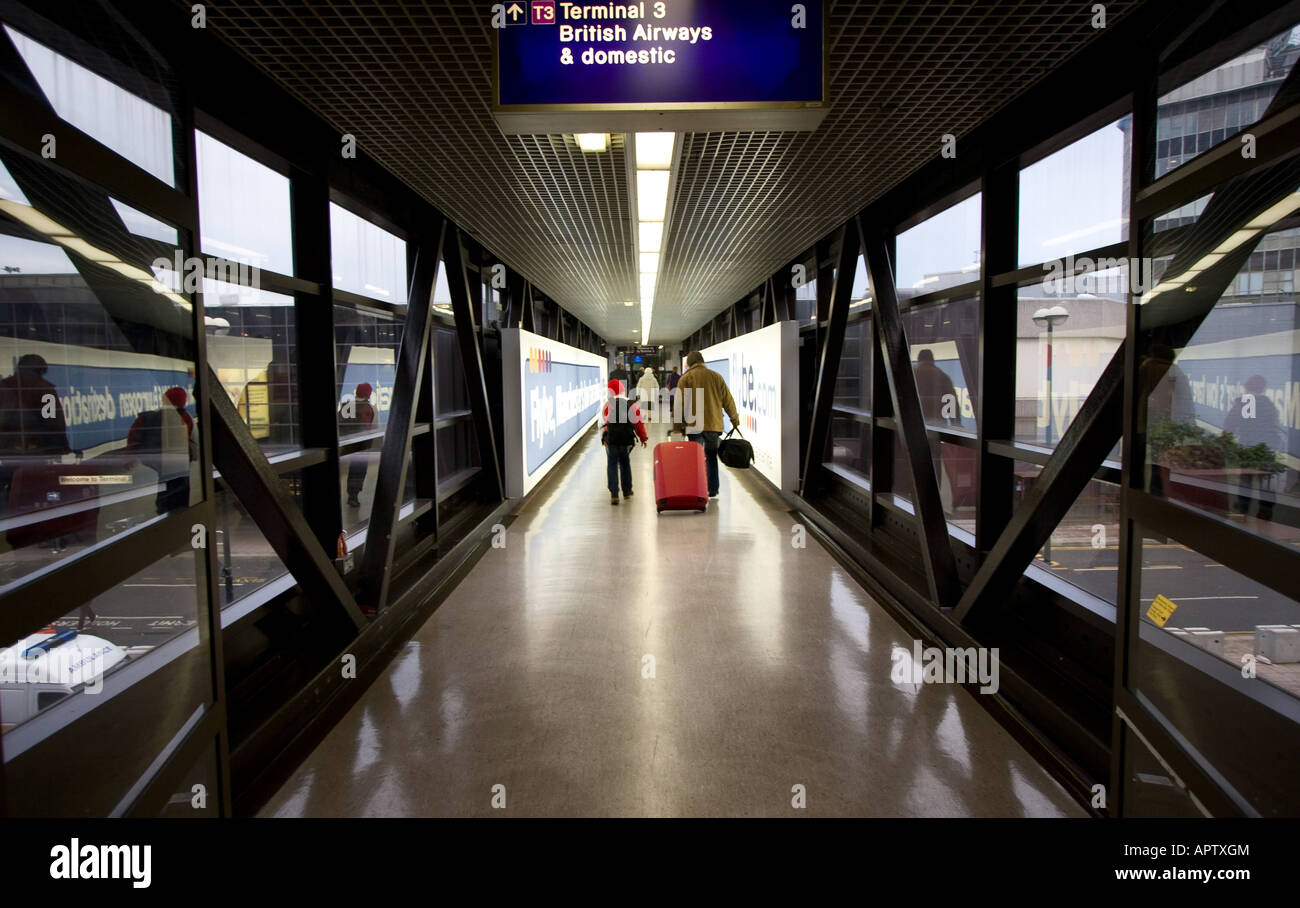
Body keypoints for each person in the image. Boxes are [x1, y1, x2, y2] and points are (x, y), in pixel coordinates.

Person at [672, 351, 739, 500]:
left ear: (690, 363)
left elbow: (679, 404)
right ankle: (713, 489)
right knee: (711, 457)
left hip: (694, 425)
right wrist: (734, 419)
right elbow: (728, 400)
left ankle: (697, 488)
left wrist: (677, 426)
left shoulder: (686, 378)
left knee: (695, 458)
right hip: (713, 425)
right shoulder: (716, 377)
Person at [125, 386, 196, 513]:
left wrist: (130, 455)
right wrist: (195, 455)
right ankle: (180, 512)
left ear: (164, 399)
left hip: (159, 461)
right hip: (181, 462)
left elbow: (134, 435)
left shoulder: (148, 417)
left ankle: (163, 508)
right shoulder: (186, 417)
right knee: (180, 487)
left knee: (165, 483)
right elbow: (194, 438)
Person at [600, 378, 647, 504]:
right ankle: (627, 491)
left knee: (612, 465)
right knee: (625, 464)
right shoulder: (630, 403)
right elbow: (638, 423)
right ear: (622, 389)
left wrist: (604, 438)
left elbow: (602, 422)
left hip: (612, 439)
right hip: (626, 439)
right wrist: (643, 438)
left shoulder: (607, 404)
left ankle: (614, 494)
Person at [340, 382, 377, 507]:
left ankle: (350, 494)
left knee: (351, 469)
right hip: (363, 446)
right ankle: (353, 495)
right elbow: (375, 427)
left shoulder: (346, 406)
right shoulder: (370, 408)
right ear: (368, 394)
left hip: (348, 445)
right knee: (359, 471)